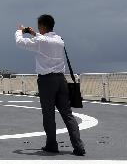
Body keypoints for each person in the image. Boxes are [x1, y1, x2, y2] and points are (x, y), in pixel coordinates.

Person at [15, 14, 85, 156]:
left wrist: (20, 31)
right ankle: (79, 146)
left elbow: (20, 42)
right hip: (61, 80)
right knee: (68, 114)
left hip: (47, 81)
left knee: (48, 115)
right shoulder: (59, 40)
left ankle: (52, 145)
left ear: (42, 26)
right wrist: (34, 32)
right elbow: (44, 38)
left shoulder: (40, 41)